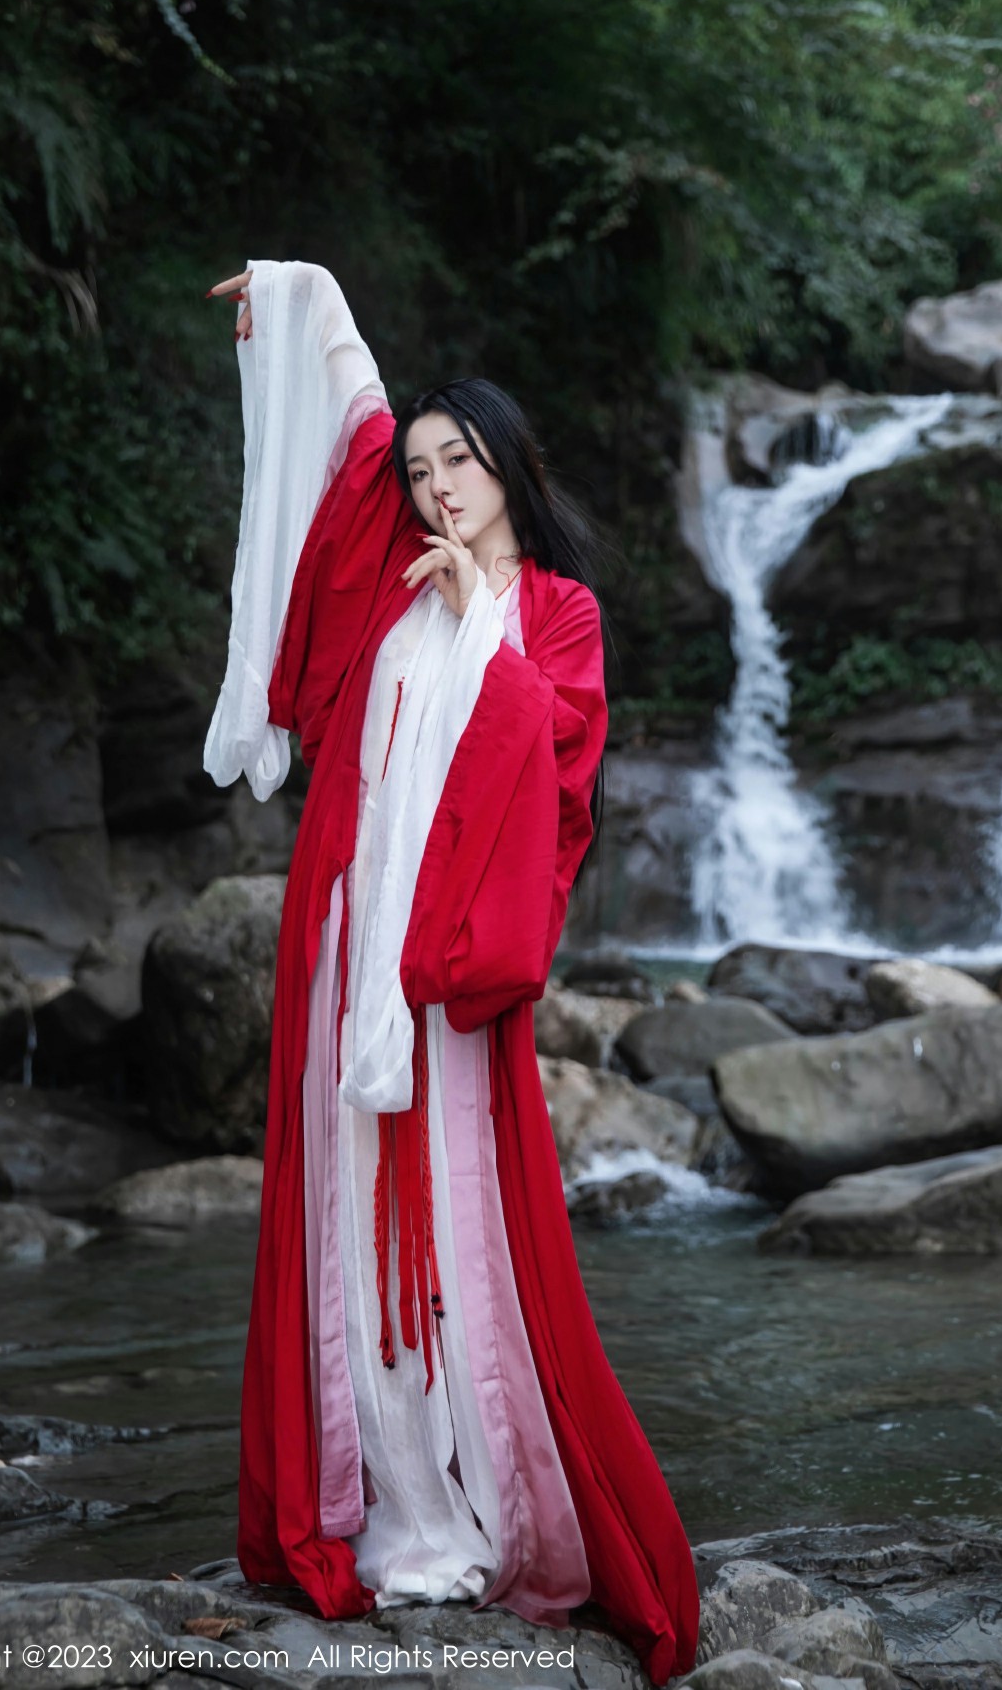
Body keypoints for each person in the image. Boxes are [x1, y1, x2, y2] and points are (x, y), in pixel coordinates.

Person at [202, 258, 699, 1685]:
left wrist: (483, 606)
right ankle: (383, 1506)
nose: (432, 487)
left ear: (505, 463)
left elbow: (555, 763)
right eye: (421, 472)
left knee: (462, 1230)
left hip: (449, 976)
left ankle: (496, 1507)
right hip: (350, 952)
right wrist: (303, 300)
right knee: (349, 1228)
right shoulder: (387, 594)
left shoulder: (557, 611)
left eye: (457, 461)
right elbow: (350, 427)